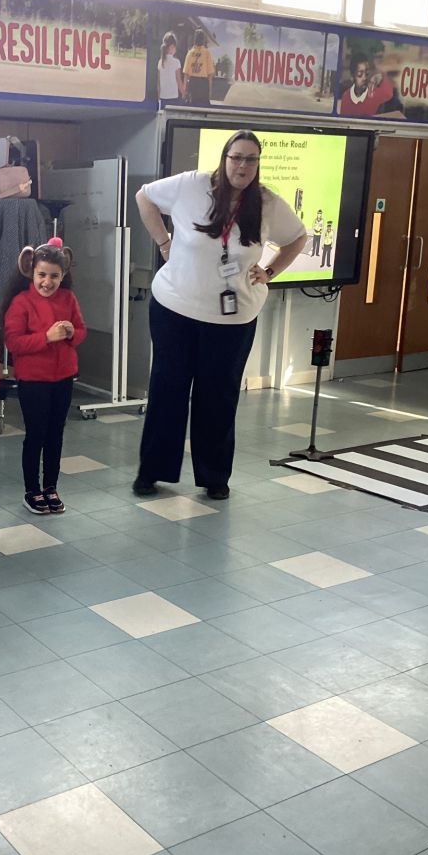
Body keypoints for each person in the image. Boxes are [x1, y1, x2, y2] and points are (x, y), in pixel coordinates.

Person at [133, 131, 307, 501]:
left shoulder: (266, 203)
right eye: (236, 157)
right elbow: (144, 196)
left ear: (258, 164)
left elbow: (297, 237)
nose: (242, 166)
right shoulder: (192, 185)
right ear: (224, 158)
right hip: (174, 308)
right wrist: (164, 242)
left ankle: (214, 477)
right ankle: (152, 472)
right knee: (168, 390)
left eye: (251, 159)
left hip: (232, 319)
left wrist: (270, 271)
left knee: (219, 397)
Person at [3, 236, 86, 515]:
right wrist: (46, 337)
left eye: (54, 276)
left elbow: (81, 331)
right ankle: (32, 490)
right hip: (34, 380)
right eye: (42, 275)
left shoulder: (69, 298)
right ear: (31, 272)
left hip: (63, 377)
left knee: (55, 434)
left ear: (63, 275)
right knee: (36, 434)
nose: (47, 282)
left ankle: (51, 486)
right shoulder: (21, 302)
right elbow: (14, 342)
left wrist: (72, 333)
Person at [338, 54, 405, 118]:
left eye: (366, 73)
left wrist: (381, 76)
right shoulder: (346, 96)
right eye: (360, 74)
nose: (364, 78)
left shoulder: (373, 93)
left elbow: (388, 94)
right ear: (352, 76)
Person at [183, 29, 214, 106]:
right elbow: (210, 74)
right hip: (203, 84)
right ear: (203, 40)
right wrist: (210, 90)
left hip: (193, 83)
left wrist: (185, 90)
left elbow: (186, 74)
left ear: (194, 39)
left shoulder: (190, 53)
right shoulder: (207, 53)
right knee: (203, 108)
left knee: (193, 107)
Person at [159, 32, 185, 107]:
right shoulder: (176, 62)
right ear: (172, 47)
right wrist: (183, 93)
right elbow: (178, 80)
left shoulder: (160, 62)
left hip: (162, 97)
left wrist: (158, 97)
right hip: (173, 97)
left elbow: (158, 82)